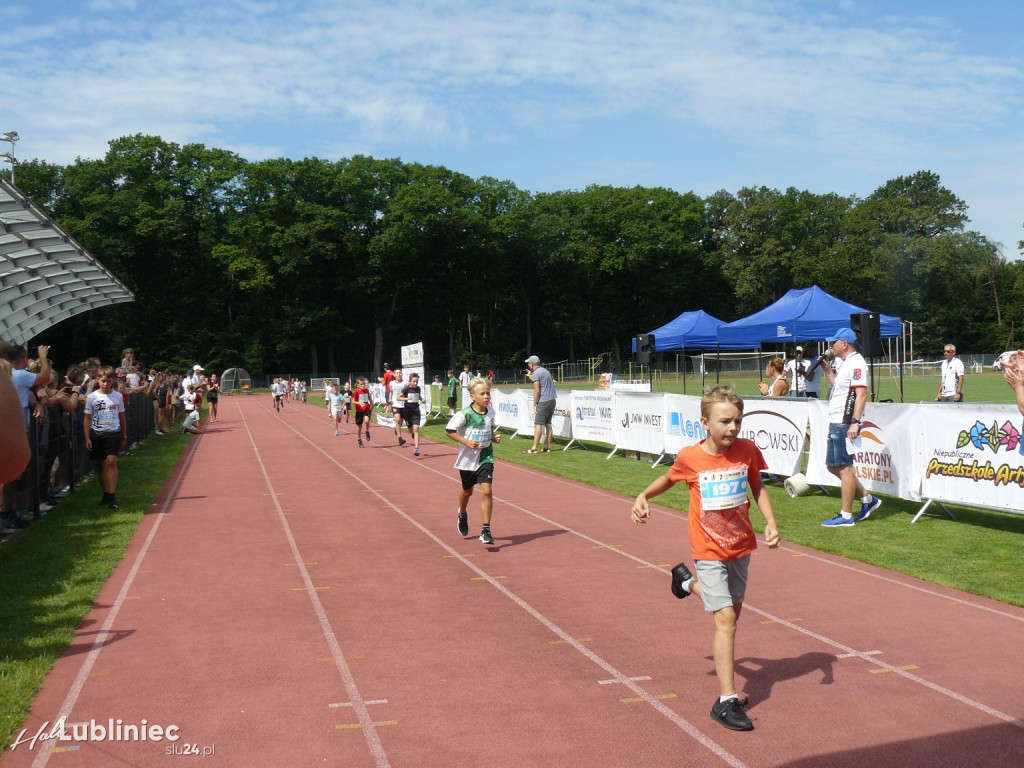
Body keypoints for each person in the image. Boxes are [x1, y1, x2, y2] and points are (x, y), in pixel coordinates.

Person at [630, 385, 780, 732]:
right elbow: (668, 478)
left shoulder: (747, 451)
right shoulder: (690, 457)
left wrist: (770, 523)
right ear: (705, 423)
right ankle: (726, 700)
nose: (732, 428)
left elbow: (756, 486)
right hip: (707, 548)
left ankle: (685, 582)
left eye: (737, 422)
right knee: (725, 619)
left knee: (731, 616)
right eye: (724, 421)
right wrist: (643, 496)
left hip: (741, 546)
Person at [819, 328, 882, 527]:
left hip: (845, 422)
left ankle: (846, 516)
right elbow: (840, 387)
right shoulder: (847, 363)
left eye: (834, 342)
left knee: (845, 468)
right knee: (832, 466)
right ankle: (867, 498)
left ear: (844, 344)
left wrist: (855, 422)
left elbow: (861, 394)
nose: (831, 346)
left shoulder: (856, 363)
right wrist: (828, 370)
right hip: (837, 420)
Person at [446, 376, 502, 545]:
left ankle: (486, 530)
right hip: (468, 460)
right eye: (482, 394)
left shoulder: (491, 412)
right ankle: (462, 513)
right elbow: (449, 431)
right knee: (467, 491)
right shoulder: (465, 414)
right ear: (472, 396)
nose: (486, 397)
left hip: (486, 457)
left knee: (487, 491)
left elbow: (488, 427)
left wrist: (493, 437)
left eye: (488, 393)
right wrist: (467, 442)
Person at [83, 366, 127, 509]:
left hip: (113, 432)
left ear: (113, 381)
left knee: (112, 462)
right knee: (100, 464)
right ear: (97, 380)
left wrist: (123, 434)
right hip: (97, 433)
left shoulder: (118, 396)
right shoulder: (92, 397)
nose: (106, 384)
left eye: (108, 381)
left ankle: (112, 496)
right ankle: (106, 493)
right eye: (103, 381)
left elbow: (122, 416)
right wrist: (87, 437)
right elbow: (87, 418)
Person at [524, 355, 556, 454]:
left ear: (532, 364)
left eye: (529, 363)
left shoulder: (536, 373)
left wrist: (535, 404)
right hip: (552, 400)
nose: (528, 364)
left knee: (538, 424)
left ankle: (534, 448)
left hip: (544, 401)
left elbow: (537, 391)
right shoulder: (545, 371)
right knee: (548, 424)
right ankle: (548, 447)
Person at [398, 372, 424, 456]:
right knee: (410, 429)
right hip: (407, 412)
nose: (415, 383)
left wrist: (422, 400)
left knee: (416, 429)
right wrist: (407, 398)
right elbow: (398, 397)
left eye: (417, 381)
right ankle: (412, 433)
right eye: (413, 381)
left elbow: (418, 396)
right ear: (410, 381)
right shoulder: (406, 389)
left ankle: (416, 448)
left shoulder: (418, 388)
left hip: (416, 411)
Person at [352, 376, 373, 447]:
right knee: (359, 427)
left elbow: (369, 396)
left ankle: (367, 431)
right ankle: (359, 439)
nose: (363, 385)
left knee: (367, 421)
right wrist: (359, 403)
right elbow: (353, 401)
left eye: (364, 384)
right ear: (358, 385)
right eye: (361, 384)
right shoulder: (356, 392)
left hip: (366, 409)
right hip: (359, 411)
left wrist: (372, 403)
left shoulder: (366, 390)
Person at [389, 369, 406, 445]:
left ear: (401, 374)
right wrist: (389, 399)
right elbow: (391, 392)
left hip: (403, 404)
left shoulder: (405, 383)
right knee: (398, 419)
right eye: (397, 373)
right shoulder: (391, 383)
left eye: (400, 373)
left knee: (401, 421)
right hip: (395, 403)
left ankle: (397, 429)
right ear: (394, 375)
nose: (398, 374)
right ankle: (400, 438)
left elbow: (407, 392)